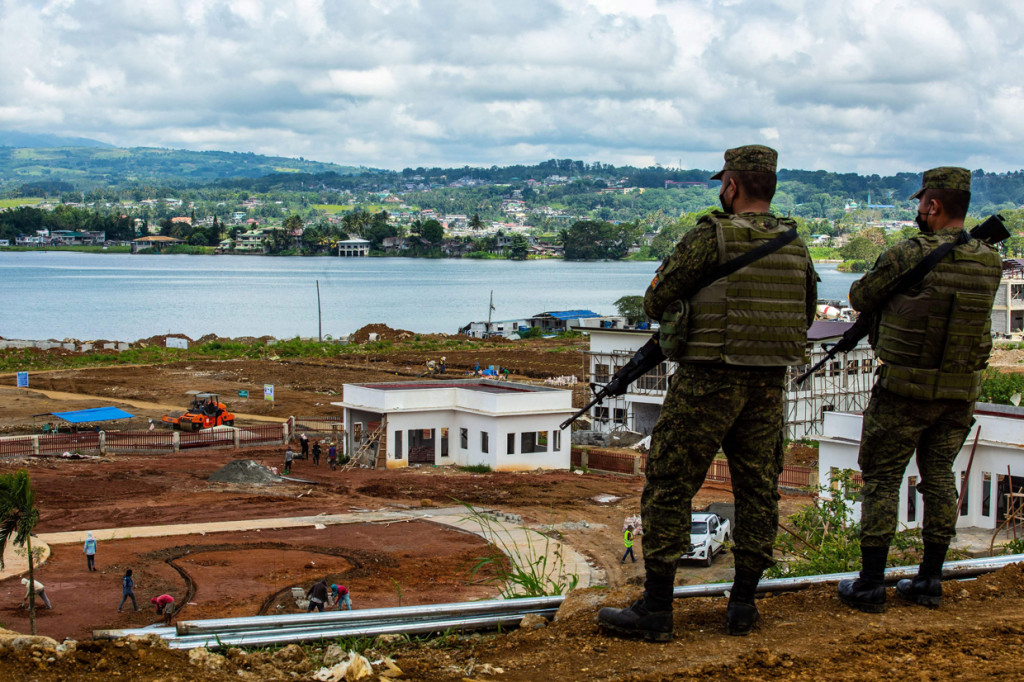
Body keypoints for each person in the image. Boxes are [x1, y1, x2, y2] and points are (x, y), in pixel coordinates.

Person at [598, 145, 818, 641]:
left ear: (732, 186)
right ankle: (742, 606)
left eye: (724, 183)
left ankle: (656, 610)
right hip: (767, 386)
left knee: (671, 483)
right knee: (759, 490)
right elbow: (804, 316)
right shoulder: (795, 244)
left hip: (708, 380)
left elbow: (657, 300)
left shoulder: (710, 236)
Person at [837, 167, 1002, 614]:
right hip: (958, 392)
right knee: (940, 479)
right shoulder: (988, 259)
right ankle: (930, 579)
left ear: (933, 205)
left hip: (904, 391)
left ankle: (871, 583)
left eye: (921, 204)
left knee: (883, 480)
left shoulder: (908, 253)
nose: (918, 212)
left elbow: (859, 295)